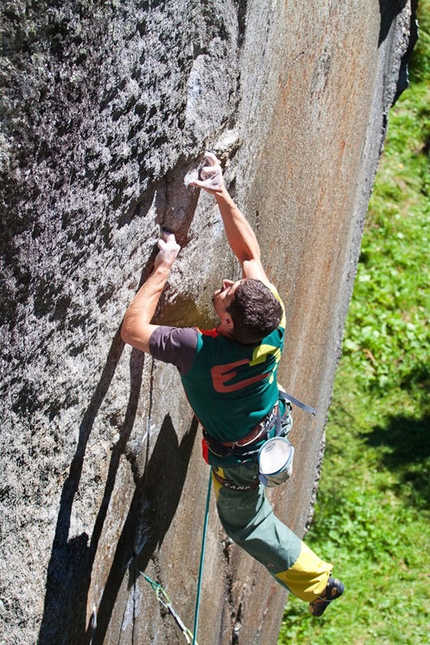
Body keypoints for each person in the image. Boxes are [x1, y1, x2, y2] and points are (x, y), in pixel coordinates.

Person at [121, 152, 344, 616]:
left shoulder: (197, 351)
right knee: (247, 505)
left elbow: (133, 332)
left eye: (227, 293)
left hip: (241, 459)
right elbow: (249, 255)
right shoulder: (271, 320)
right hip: (269, 424)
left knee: (246, 524)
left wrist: (163, 266)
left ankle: (318, 584)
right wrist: (220, 191)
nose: (227, 281)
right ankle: (314, 582)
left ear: (223, 321)